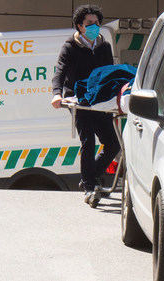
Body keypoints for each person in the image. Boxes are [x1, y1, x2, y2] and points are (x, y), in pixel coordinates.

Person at [51, 4, 120, 203]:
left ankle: (89, 177)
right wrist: (57, 94)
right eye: (90, 23)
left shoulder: (104, 46)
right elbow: (60, 72)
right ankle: (90, 187)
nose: (95, 26)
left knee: (113, 144)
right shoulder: (70, 47)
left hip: (99, 101)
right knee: (88, 142)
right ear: (80, 26)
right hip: (79, 102)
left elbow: (109, 72)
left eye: (97, 23)